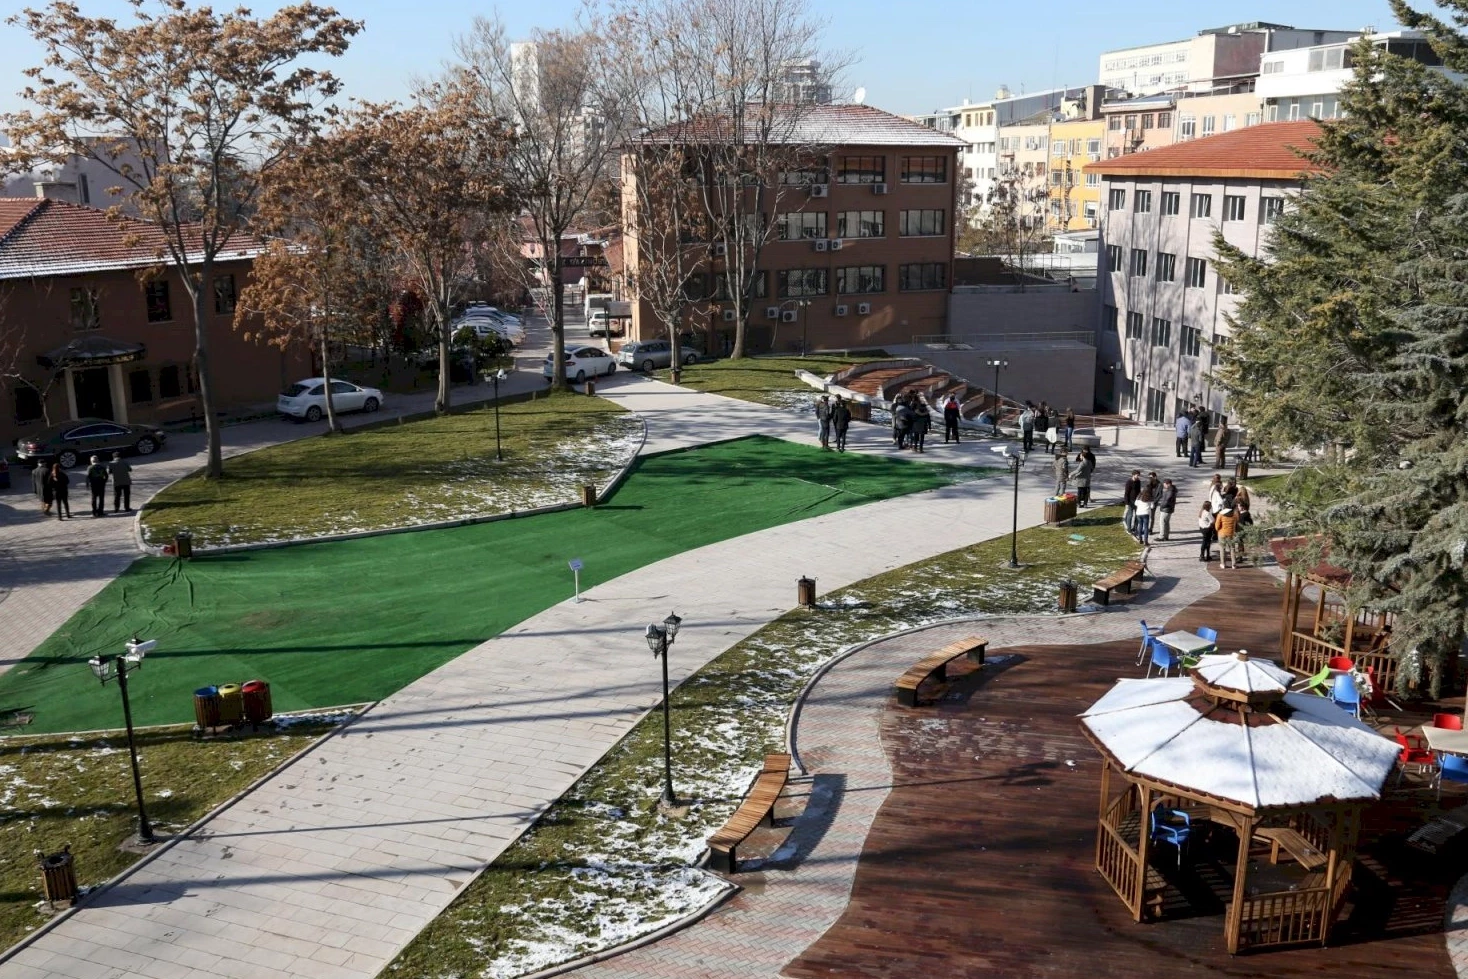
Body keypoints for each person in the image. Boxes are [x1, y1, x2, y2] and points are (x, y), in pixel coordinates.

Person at [1214, 505, 1240, 569]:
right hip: (1231, 534)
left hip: (1222, 534)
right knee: (1232, 549)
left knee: (1222, 549)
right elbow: (1237, 526)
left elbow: (1217, 527)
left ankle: (1223, 564)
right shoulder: (1234, 515)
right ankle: (1234, 564)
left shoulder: (1220, 515)